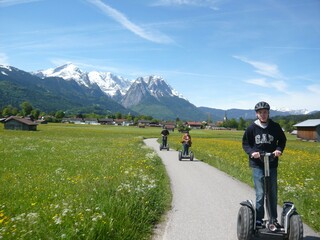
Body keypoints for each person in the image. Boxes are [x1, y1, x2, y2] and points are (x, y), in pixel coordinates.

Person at [242, 101, 286, 228]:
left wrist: (278, 149)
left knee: (272, 192)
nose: (263, 114)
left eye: (265, 112)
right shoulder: (251, 128)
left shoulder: (275, 127)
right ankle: (259, 219)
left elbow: (282, 140)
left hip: (271, 163)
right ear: (257, 114)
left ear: (268, 113)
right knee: (260, 193)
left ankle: (273, 219)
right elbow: (246, 144)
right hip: (258, 164)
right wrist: (252, 152)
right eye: (260, 112)